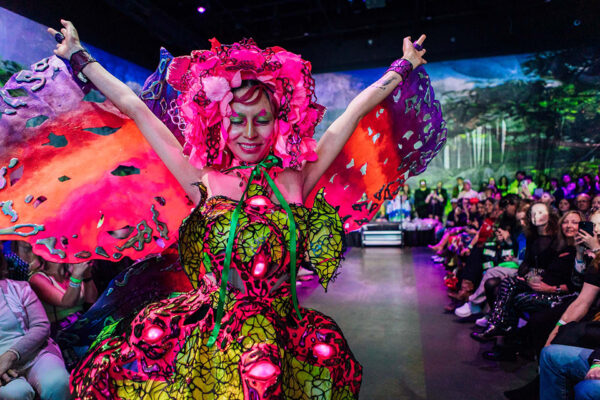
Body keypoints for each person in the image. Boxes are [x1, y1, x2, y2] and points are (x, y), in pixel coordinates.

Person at [43, 20, 437, 398]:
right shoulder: (203, 177)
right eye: (237, 120)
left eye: (262, 120)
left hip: (283, 332)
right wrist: (79, 55)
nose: (250, 134)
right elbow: (136, 108)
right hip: (209, 331)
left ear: (281, 122)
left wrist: (403, 66)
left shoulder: (295, 177)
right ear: (217, 121)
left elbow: (352, 113)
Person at [0, 249, 70, 400]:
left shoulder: (19, 288)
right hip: (1, 367)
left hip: (35, 352)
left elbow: (41, 326)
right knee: (15, 394)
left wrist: (11, 355)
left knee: (58, 382)